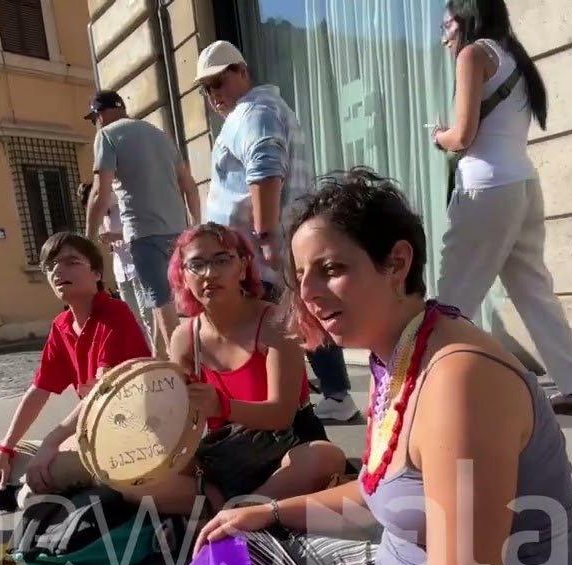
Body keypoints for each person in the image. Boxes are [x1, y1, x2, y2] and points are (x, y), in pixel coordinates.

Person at [168, 169, 572, 565]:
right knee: (238, 554)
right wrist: (269, 510)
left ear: (396, 263)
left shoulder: (460, 378)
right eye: (301, 276)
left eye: (333, 269)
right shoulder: (394, 353)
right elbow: (377, 493)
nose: (311, 294)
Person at [431, 0, 572, 413]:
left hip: (486, 188)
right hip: (522, 182)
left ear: (465, 17)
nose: (444, 35)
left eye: (447, 24)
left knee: (456, 290)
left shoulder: (475, 55)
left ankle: (435, 386)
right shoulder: (514, 57)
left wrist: (439, 136)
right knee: (533, 289)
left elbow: (464, 135)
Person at [113, 222, 346, 520]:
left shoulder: (275, 322)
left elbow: (281, 414)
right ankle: (236, 507)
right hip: (224, 452)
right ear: (182, 275)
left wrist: (221, 405)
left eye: (222, 260)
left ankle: (240, 510)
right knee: (136, 483)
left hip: (287, 446)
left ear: (243, 266)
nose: (210, 273)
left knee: (324, 457)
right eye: (196, 264)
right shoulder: (185, 338)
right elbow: (187, 422)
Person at [193, 40, 361, 425]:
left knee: (273, 333)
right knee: (295, 322)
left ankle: (286, 415)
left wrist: (266, 238)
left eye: (220, 81)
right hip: (259, 246)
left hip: (254, 249)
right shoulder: (261, 110)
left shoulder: (255, 111)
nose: (214, 94)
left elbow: (265, 169)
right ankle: (327, 398)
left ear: (242, 71)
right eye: (207, 88)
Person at [0, 232, 151, 502]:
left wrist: (53, 442)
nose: (58, 270)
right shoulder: (62, 325)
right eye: (51, 265)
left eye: (71, 262)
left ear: (97, 274)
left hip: (125, 438)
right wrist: (5, 450)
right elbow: (39, 390)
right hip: (89, 435)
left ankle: (30, 489)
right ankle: (58, 483)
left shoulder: (115, 313)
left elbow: (101, 392)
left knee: (32, 493)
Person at [85, 90, 200, 359]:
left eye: (95, 118)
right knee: (164, 304)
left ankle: (181, 373)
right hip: (177, 231)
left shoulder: (107, 136)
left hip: (143, 232)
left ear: (101, 114)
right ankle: (160, 364)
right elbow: (189, 185)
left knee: (161, 303)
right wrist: (195, 225)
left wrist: (88, 237)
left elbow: (100, 193)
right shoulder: (160, 135)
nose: (96, 123)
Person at [79, 181, 155, 349]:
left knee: (147, 314)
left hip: (137, 266)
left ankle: (159, 352)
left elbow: (139, 231)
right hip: (121, 269)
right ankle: (146, 351)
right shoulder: (103, 216)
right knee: (133, 317)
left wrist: (114, 235)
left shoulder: (122, 204)